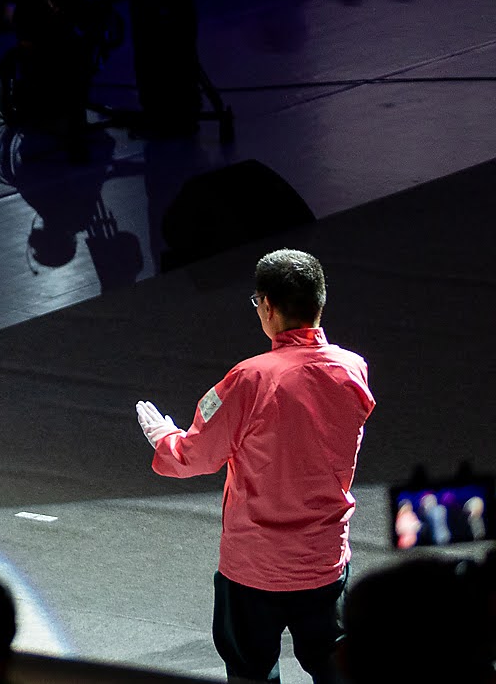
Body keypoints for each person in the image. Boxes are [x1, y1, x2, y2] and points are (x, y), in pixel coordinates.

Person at [136, 249, 374, 684]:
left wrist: (165, 438)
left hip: (253, 568)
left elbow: (195, 455)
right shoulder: (353, 368)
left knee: (250, 672)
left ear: (267, 306)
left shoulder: (250, 379)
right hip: (323, 560)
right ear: (319, 302)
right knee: (336, 668)